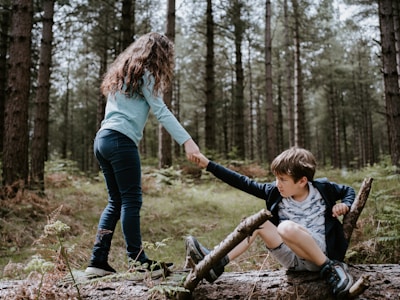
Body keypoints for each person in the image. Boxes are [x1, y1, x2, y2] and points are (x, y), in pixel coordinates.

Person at [85, 32, 200, 277]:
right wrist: (188, 142)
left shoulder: (122, 76)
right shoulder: (146, 75)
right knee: (131, 201)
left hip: (102, 140)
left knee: (115, 201)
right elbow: (161, 111)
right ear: (158, 55)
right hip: (120, 141)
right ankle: (137, 262)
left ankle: (97, 261)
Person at [186, 147, 355, 298]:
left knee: (285, 227)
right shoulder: (275, 192)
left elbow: (349, 191)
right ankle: (217, 262)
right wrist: (208, 164)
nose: (277, 184)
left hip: (319, 252)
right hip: (292, 257)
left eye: (283, 179)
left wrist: (344, 205)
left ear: (302, 181)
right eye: (276, 178)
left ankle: (331, 268)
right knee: (258, 222)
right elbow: (243, 182)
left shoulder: (322, 189)